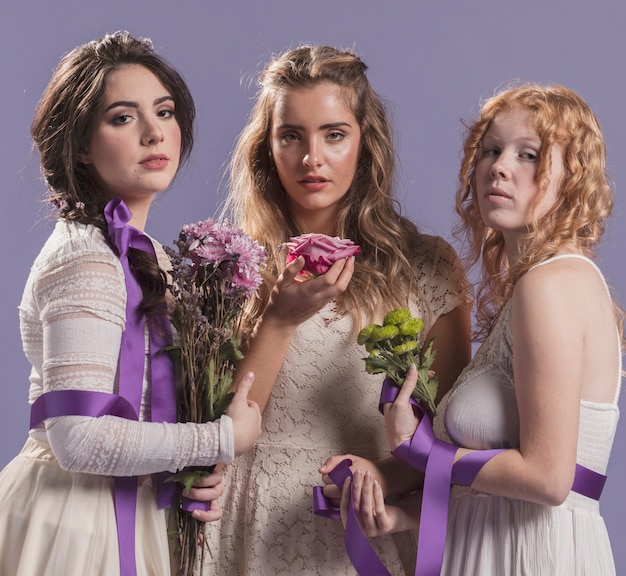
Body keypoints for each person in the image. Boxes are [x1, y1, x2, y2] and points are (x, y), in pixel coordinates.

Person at [331, 83, 623, 575]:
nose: (500, 166)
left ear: (571, 179)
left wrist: (420, 450)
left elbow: (550, 480)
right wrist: (404, 516)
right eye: (491, 149)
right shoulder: (545, 283)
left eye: (528, 154)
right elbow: (502, 495)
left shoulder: (549, 284)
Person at [203, 45, 472, 575]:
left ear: (364, 144)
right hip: (244, 522)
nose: (311, 158)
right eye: (291, 136)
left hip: (361, 527)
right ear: (266, 147)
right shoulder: (231, 266)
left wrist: (381, 476)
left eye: (334, 134)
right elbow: (218, 431)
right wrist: (278, 319)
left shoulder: (426, 267)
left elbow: (449, 438)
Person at [0, 31, 261, 576]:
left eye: (163, 111)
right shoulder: (89, 260)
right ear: (77, 145)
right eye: (122, 118)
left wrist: (193, 466)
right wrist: (219, 438)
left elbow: (145, 410)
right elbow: (77, 437)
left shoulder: (139, 255)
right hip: (79, 520)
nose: (153, 132)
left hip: (118, 509)